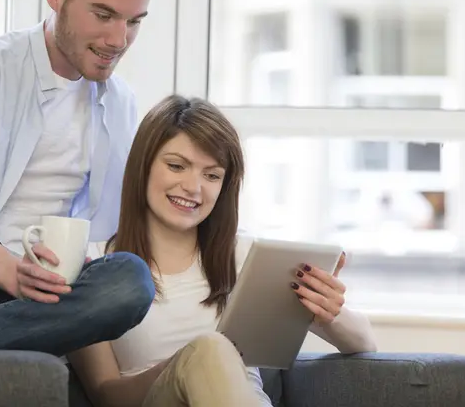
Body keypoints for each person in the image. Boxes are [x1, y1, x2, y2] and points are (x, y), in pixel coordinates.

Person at [0, 0, 166, 381]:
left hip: (50, 292)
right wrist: (7, 270)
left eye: (134, 21)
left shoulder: (120, 102)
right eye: (104, 15)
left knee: (129, 281)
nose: (118, 40)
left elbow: (141, 210)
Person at [69, 95, 378, 407]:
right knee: (209, 349)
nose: (194, 187)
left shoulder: (244, 256)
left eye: (212, 175)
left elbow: (364, 342)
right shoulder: (93, 265)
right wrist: (184, 366)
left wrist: (328, 312)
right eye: (177, 166)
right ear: (143, 166)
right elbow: (105, 394)